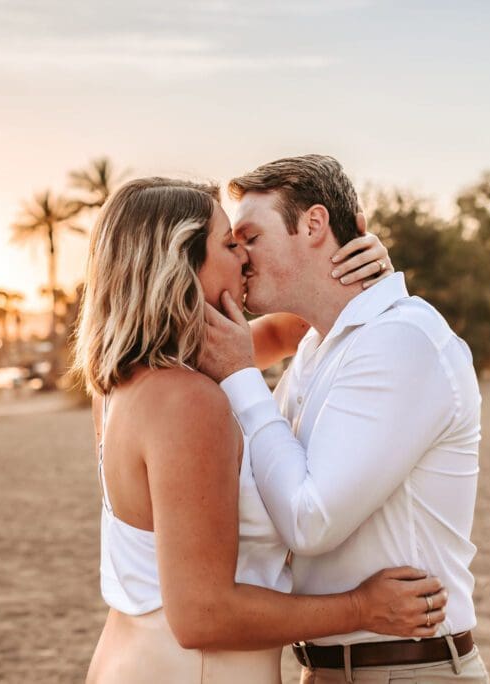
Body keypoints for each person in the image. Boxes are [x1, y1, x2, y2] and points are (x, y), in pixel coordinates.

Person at [73, 177, 448, 683]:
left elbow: (288, 328)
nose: (245, 259)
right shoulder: (189, 402)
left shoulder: (126, 381)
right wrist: (363, 607)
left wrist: (354, 258)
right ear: (180, 264)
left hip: (131, 659)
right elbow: (204, 614)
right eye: (230, 245)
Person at [199, 155, 487, 683]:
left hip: (408, 670)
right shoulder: (315, 349)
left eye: (250, 237)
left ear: (313, 224)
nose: (240, 256)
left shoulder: (402, 341)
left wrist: (243, 376)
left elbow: (311, 521)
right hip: (326, 670)